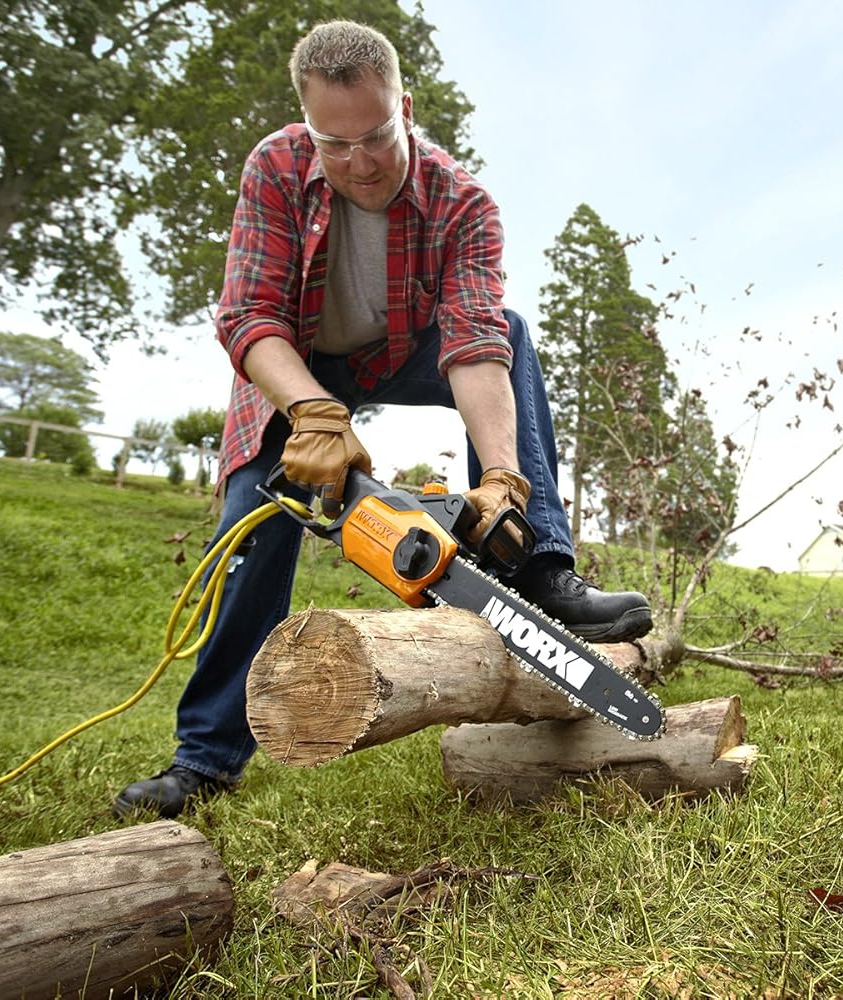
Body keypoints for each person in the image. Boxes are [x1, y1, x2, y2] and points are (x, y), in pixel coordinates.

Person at [114, 20, 653, 819]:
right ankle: (205, 759)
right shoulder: (274, 166)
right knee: (254, 526)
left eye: (377, 137)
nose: (360, 163)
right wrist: (313, 413)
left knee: (510, 328)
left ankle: (539, 565)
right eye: (337, 145)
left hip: (401, 349)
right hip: (298, 365)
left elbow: (472, 340)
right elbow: (248, 317)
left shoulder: (461, 201)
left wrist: (502, 474)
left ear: (406, 105)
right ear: (307, 125)